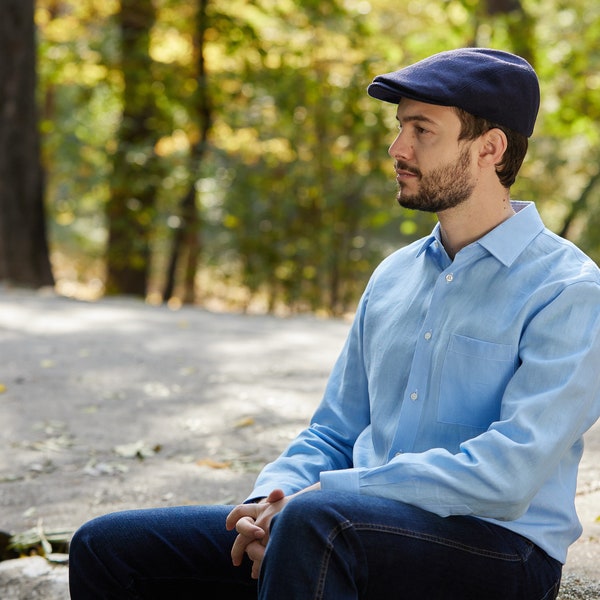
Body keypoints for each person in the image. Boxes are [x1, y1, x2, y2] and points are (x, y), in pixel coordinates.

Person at [68, 48, 600, 600]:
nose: (398, 148)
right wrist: (273, 499)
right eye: (400, 129)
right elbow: (333, 431)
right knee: (106, 546)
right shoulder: (394, 275)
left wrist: (321, 498)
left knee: (317, 525)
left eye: (422, 130)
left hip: (498, 550)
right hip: (336, 525)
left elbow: (508, 472)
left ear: (490, 148)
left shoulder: (568, 290)